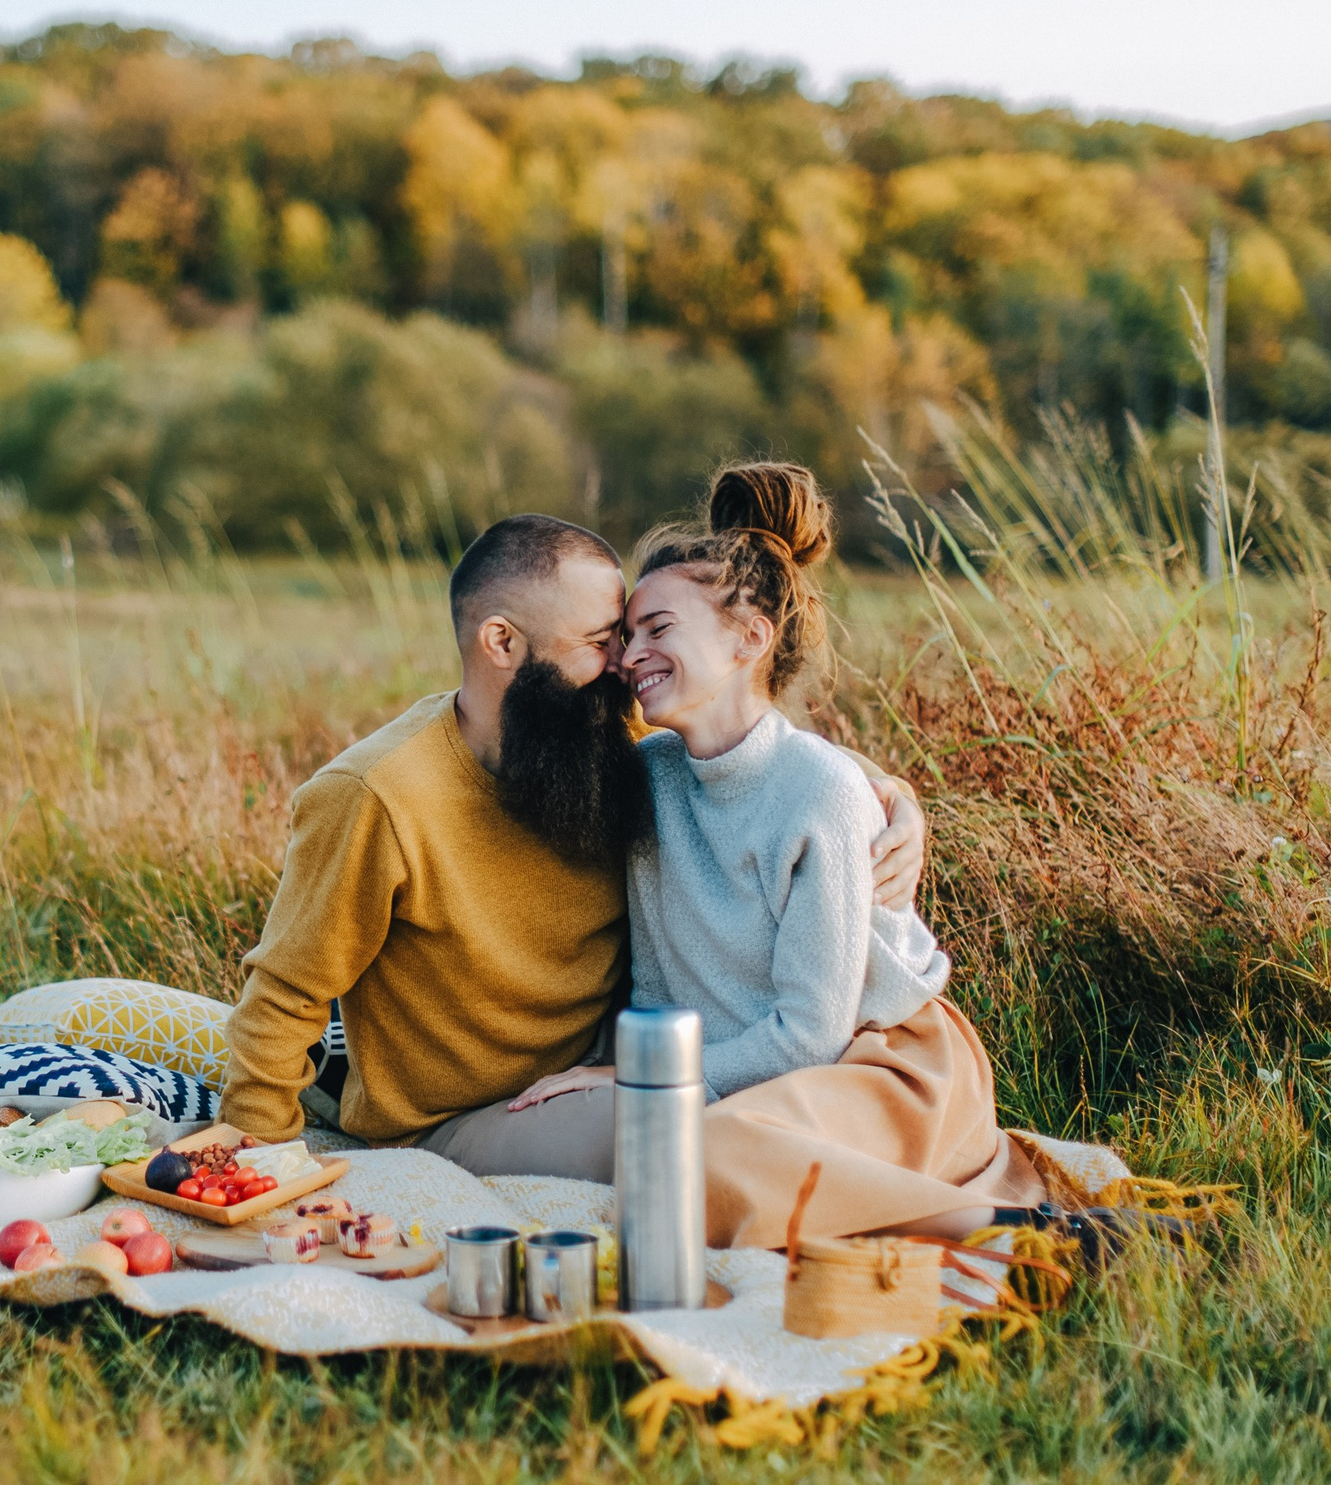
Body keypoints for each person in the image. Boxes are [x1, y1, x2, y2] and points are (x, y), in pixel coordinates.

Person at [215, 511, 926, 1171]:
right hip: (459, 1120)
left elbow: (755, 754)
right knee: (663, 1118)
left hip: (606, 1067)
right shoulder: (377, 795)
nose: (625, 663)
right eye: (601, 641)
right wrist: (256, 1162)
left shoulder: (600, 740)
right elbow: (285, 993)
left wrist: (891, 797)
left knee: (752, 1102)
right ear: (503, 642)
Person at [503, 463, 1047, 1242]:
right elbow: (659, 989)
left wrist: (638, 1073)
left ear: (750, 638)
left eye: (657, 629)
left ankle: (1020, 1229)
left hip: (878, 1065)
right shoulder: (651, 778)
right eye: (626, 637)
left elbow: (811, 1032)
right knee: (660, 1154)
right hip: (757, 1077)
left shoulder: (819, 789)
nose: (628, 657)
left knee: (698, 1155)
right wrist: (639, 1066)